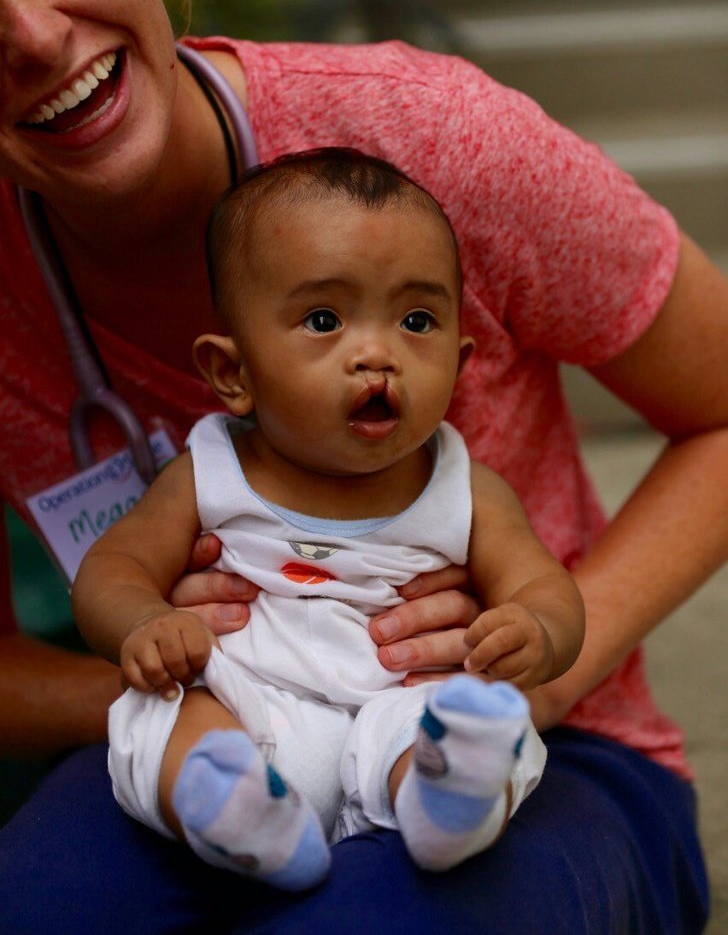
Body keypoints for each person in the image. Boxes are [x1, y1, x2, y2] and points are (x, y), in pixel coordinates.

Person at [0, 0, 721, 930]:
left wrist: (527, 663)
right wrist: (193, 673)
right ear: (225, 373)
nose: (30, 33)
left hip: (523, 736)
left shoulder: (428, 145)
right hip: (211, 726)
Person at [71, 148, 585, 887]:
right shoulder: (208, 473)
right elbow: (111, 569)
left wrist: (536, 631)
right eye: (323, 319)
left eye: (416, 319)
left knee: (460, 720)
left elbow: (547, 588)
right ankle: (237, 811)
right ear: (233, 373)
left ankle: (448, 798)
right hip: (242, 698)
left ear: (461, 361)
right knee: (170, 721)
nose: (377, 354)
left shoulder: (465, 487)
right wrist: (143, 621)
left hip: (401, 697)